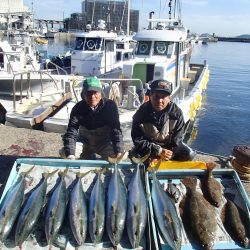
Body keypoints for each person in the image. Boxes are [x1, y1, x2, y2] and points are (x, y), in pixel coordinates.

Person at [60, 77, 124, 160]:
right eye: (88, 93)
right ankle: (88, 155)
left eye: (95, 93)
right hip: (84, 143)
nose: (92, 96)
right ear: (83, 95)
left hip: (104, 143)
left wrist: (119, 151)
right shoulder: (78, 108)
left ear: (101, 94)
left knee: (119, 155)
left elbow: (116, 131)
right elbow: (71, 132)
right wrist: (70, 155)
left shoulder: (110, 106)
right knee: (65, 153)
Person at [130, 79, 196, 161]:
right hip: (150, 147)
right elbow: (137, 139)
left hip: (169, 147)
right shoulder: (141, 113)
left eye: (163, 97)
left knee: (189, 154)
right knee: (135, 156)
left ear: (169, 98)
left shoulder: (176, 113)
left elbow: (178, 139)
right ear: (150, 95)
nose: (159, 100)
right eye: (156, 96)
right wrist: (157, 152)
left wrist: (168, 154)